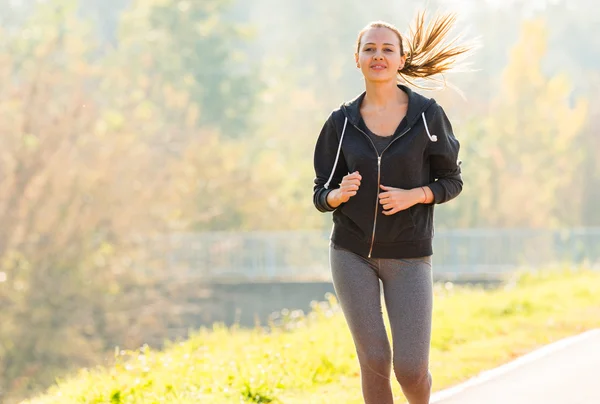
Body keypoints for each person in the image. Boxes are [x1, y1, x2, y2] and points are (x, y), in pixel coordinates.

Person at [312, 12, 474, 404]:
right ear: (358, 59)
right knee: (374, 360)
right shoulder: (342, 122)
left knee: (411, 368)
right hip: (352, 253)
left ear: (401, 59)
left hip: (409, 255)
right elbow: (321, 191)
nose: (378, 55)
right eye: (370, 49)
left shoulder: (426, 115)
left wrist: (413, 195)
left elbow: (452, 180)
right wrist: (338, 195)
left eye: (387, 49)